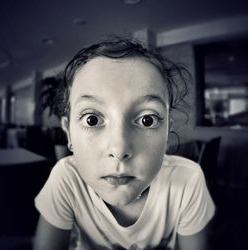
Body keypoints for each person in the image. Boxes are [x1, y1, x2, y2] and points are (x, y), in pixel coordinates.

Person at [33, 37, 215, 250]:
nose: (119, 150)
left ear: (167, 131)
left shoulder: (188, 180)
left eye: (147, 120)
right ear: (69, 133)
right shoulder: (66, 179)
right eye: (92, 119)